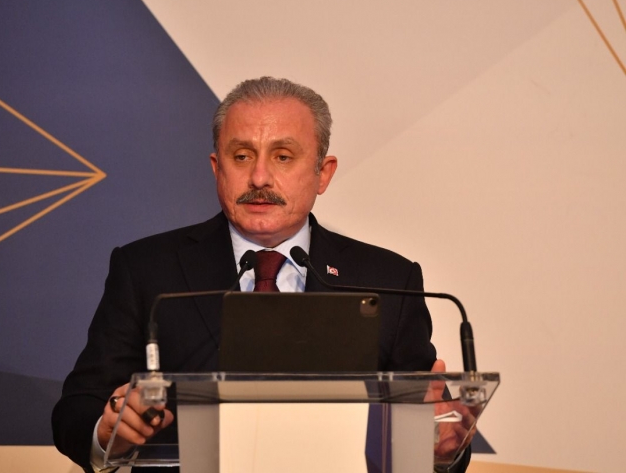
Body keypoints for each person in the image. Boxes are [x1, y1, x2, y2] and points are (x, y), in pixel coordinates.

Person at [52, 77, 472, 472]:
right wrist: (108, 432)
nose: (259, 177)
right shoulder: (147, 269)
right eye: (241, 156)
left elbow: (436, 423)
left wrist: (439, 446)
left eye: (283, 156)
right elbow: (77, 411)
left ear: (323, 173)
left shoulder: (389, 279)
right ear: (217, 167)